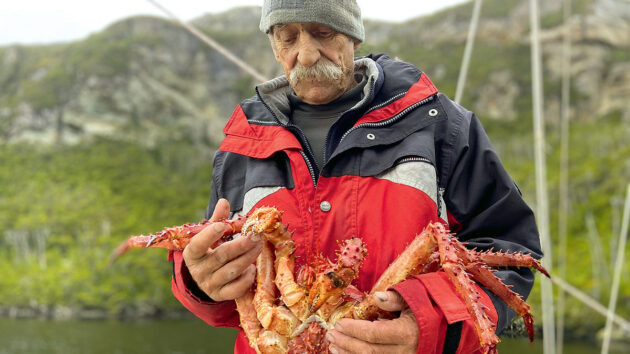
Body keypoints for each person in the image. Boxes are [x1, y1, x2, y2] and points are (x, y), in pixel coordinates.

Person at [170, 1, 543, 353]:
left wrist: (433, 325)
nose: (307, 54)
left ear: (353, 35)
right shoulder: (242, 143)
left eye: (322, 33)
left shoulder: (441, 126)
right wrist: (197, 281)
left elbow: (510, 250)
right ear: (273, 44)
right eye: (288, 37)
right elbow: (225, 287)